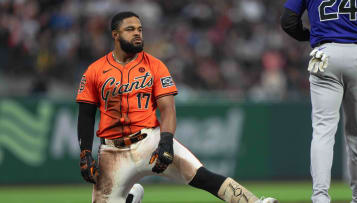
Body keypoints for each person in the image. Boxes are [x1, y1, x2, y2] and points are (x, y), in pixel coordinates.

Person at [76, 11, 278, 203]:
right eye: (130, 29)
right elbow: (86, 114)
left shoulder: (155, 66)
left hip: (149, 140)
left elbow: (167, 109)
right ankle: (131, 197)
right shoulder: (95, 70)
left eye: (140, 29)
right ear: (115, 34)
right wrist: (85, 152)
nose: (137, 33)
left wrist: (166, 140)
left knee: (200, 175)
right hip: (113, 152)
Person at [281, 0, 357, 202]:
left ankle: (320, 197)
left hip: (324, 53)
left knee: (323, 131)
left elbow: (288, 21)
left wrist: (310, 35)